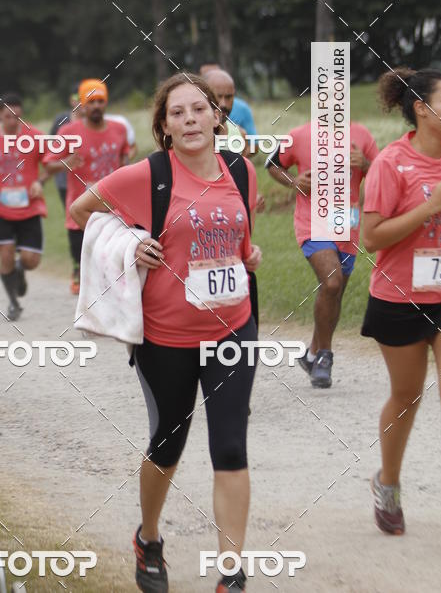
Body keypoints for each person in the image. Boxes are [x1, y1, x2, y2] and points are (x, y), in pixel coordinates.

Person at [70, 73, 262, 593]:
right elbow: (79, 211)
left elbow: (239, 233)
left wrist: (249, 255)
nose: (191, 119)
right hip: (165, 339)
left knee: (230, 447)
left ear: (217, 116)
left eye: (199, 109)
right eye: (178, 113)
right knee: (168, 442)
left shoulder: (241, 171)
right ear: (164, 127)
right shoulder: (146, 176)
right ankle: (149, 538)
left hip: (233, 330)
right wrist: (130, 241)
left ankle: (231, 572)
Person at [361, 68, 441, 535]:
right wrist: (431, 207)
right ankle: (388, 481)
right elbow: (371, 237)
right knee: (407, 396)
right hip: (399, 297)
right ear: (422, 108)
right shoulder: (392, 164)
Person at [267, 118, 378, 387]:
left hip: (347, 225)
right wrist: (294, 181)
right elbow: (272, 165)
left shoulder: (361, 134)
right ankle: (325, 355)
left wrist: (364, 165)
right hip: (311, 223)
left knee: (335, 292)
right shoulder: (300, 134)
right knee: (332, 281)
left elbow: (383, 174)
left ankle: (313, 353)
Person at [44, 79, 129, 295]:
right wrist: (67, 163)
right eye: (91, 101)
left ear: (106, 103)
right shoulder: (68, 131)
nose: (96, 106)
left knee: (111, 262)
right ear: (82, 105)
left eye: (100, 101)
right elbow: (48, 163)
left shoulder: (119, 129)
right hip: (80, 211)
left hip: (114, 209)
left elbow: (124, 159)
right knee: (86, 264)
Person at [0, 93, 48, 320]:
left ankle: (21, 270)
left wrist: (39, 182)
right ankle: (13, 302)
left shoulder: (34, 136)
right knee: (5, 256)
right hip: (1, 209)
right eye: (9, 117)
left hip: (29, 207)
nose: (14, 122)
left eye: (18, 117)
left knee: (32, 260)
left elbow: (53, 162)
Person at [50, 88, 80, 210]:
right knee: (72, 213)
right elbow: (51, 146)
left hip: (89, 178)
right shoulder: (61, 120)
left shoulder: (94, 120)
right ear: (71, 100)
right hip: (64, 179)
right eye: (78, 98)